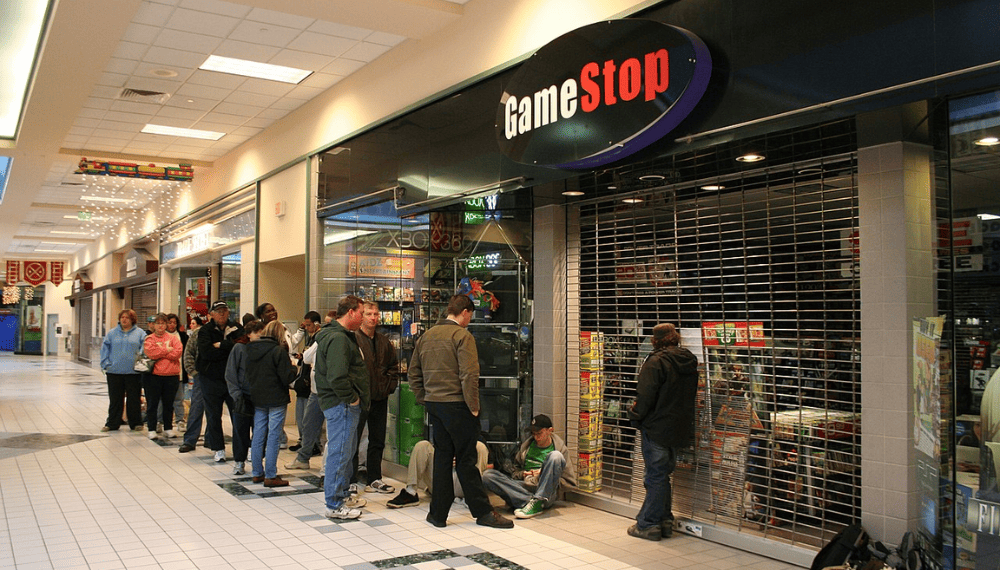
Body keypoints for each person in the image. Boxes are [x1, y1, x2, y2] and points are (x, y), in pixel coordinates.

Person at [408, 294, 513, 529]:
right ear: (465, 312)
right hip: (458, 404)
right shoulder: (462, 336)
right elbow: (469, 375)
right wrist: (473, 406)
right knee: (467, 460)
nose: (469, 320)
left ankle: (438, 514)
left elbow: (413, 373)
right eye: (470, 316)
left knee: (443, 458)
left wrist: (424, 397)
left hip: (435, 405)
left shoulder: (426, 336)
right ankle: (483, 512)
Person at [626, 323, 699, 541]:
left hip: (656, 426)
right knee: (663, 475)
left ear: (655, 341)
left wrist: (635, 415)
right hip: (678, 427)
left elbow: (645, 396)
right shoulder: (689, 360)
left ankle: (648, 524)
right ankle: (665, 520)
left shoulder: (655, 362)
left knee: (655, 476)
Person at [315, 295, 370, 520]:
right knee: (339, 453)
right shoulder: (338, 338)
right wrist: (352, 399)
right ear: (351, 312)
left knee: (345, 452)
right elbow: (337, 376)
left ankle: (342, 495)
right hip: (341, 404)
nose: (364, 318)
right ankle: (334, 504)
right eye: (362, 313)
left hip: (339, 403)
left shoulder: (337, 335)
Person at [482, 414, 576, 519]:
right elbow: (514, 473)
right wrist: (523, 474)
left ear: (550, 430)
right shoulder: (526, 446)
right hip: (525, 485)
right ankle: (532, 502)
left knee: (556, 456)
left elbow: (568, 482)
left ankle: (536, 499)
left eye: (539, 433)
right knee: (487, 476)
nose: (536, 437)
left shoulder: (560, 449)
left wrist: (544, 474)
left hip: (545, 489)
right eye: (533, 434)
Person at [354, 301, 399, 494]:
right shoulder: (354, 339)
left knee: (377, 439)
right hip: (359, 399)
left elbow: (393, 366)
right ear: (361, 316)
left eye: (375, 314)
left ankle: (374, 478)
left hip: (380, 397)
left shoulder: (383, 341)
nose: (373, 318)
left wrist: (389, 386)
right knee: (353, 440)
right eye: (369, 314)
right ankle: (351, 479)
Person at [245, 320, 297, 487]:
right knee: (274, 436)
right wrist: (294, 368)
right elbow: (286, 377)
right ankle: (270, 475)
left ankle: (256, 472)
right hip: (276, 398)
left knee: (258, 434)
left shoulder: (250, 348)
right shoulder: (278, 351)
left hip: (258, 397)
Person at [196, 301, 246, 463]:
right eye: (218, 311)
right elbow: (207, 353)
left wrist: (221, 345)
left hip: (233, 380)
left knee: (238, 415)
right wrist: (228, 348)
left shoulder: (236, 328)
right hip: (210, 379)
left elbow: (242, 347)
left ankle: (242, 449)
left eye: (224, 310)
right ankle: (218, 449)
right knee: (213, 416)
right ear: (211, 314)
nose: (222, 314)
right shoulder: (205, 331)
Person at [388, 439, 489, 508]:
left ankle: (473, 497)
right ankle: (410, 492)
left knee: (479, 446)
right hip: (441, 479)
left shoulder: (476, 434)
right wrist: (445, 460)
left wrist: (464, 461)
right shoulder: (445, 430)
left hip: (463, 481)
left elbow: (490, 466)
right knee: (422, 445)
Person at [286, 312, 325, 469]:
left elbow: (308, 357)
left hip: (320, 389)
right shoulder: (314, 338)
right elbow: (307, 357)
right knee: (308, 422)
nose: (307, 328)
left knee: (311, 422)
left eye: (309, 325)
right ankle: (304, 454)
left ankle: (310, 451)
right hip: (314, 388)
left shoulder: (320, 338)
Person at [225, 319, 264, 475]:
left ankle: (257, 460)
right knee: (240, 431)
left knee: (260, 431)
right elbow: (230, 373)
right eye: (256, 332)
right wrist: (236, 394)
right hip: (242, 396)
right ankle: (239, 461)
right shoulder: (239, 348)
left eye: (262, 332)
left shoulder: (264, 349)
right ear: (248, 334)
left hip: (259, 397)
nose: (260, 335)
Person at [100, 309, 146, 432]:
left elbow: (144, 349)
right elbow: (104, 349)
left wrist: (140, 363)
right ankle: (112, 423)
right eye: (122, 317)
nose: (124, 319)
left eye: (127, 317)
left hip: (133, 373)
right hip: (114, 372)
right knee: (115, 399)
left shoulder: (140, 333)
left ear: (132, 320)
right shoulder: (111, 333)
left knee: (134, 399)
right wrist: (106, 364)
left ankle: (136, 423)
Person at [142, 313, 184, 440]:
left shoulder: (173, 338)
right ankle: (152, 429)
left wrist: (161, 352)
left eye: (163, 323)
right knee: (153, 403)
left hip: (171, 376)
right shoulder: (149, 339)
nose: (160, 326)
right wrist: (167, 349)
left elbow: (178, 352)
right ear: (153, 325)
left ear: (166, 325)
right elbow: (151, 353)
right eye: (158, 323)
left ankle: (168, 428)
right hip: (154, 376)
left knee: (168, 404)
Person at [178, 316, 205, 453]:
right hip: (201, 376)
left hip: (221, 377)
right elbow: (188, 353)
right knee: (196, 408)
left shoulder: (227, 332)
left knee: (215, 411)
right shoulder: (199, 333)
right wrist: (193, 372)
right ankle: (189, 440)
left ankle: (212, 440)